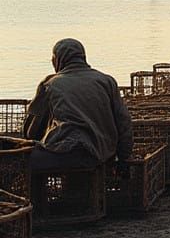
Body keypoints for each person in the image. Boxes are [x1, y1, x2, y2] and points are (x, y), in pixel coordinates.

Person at [23, 38, 133, 171]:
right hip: (102, 154)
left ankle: (34, 192)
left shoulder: (50, 84)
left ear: (57, 60)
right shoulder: (107, 81)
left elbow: (31, 132)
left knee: (18, 160)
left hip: (67, 153)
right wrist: (123, 158)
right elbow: (124, 122)